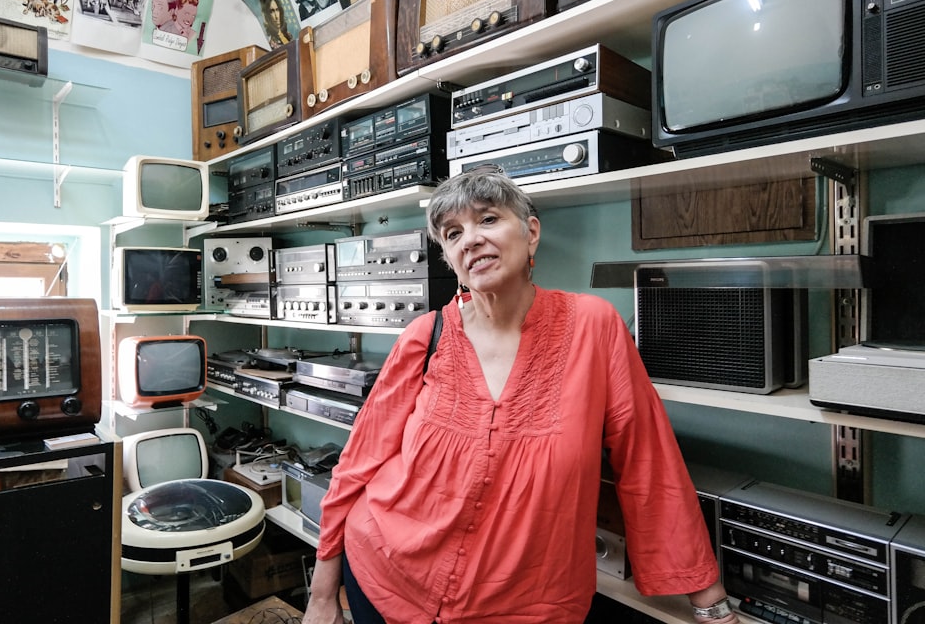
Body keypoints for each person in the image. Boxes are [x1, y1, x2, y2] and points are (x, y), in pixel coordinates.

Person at [302, 166, 740, 624]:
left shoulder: (594, 326)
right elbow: (358, 463)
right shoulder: (423, 335)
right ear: (449, 258)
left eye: (488, 220)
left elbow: (648, 461)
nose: (469, 239)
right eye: (453, 233)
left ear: (531, 233)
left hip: (526, 606)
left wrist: (709, 601)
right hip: (386, 577)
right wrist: (322, 592)